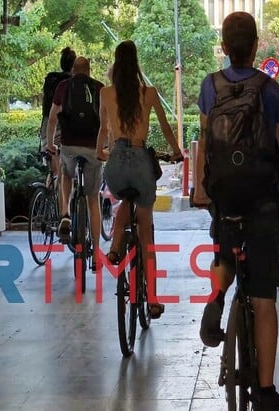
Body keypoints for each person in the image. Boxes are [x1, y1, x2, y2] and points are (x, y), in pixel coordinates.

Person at [194, 12, 279, 411]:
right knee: (263, 299)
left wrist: (200, 188)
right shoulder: (269, 89)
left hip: (224, 195)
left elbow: (204, 139)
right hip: (261, 199)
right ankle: (266, 391)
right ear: (256, 47)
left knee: (225, 253)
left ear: (224, 47)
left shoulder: (210, 86)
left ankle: (217, 296)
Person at [96, 40, 182, 319]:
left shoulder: (105, 93)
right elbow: (166, 127)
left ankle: (115, 248)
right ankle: (153, 300)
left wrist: (99, 151)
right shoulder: (149, 92)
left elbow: (103, 130)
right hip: (141, 162)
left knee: (124, 198)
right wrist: (177, 152)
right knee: (146, 232)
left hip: (116, 163)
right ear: (136, 64)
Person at [46, 57, 104, 265]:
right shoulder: (99, 88)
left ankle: (65, 213)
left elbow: (53, 118)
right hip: (93, 148)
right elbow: (107, 122)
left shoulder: (63, 86)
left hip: (69, 145)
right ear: (89, 70)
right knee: (93, 199)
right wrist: (106, 147)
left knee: (66, 173)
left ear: (72, 71)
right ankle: (96, 254)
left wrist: (50, 143)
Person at [40, 47, 76, 178]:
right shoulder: (73, 82)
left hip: (47, 126)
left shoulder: (50, 79)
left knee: (53, 169)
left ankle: (50, 187)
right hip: (66, 125)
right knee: (66, 169)